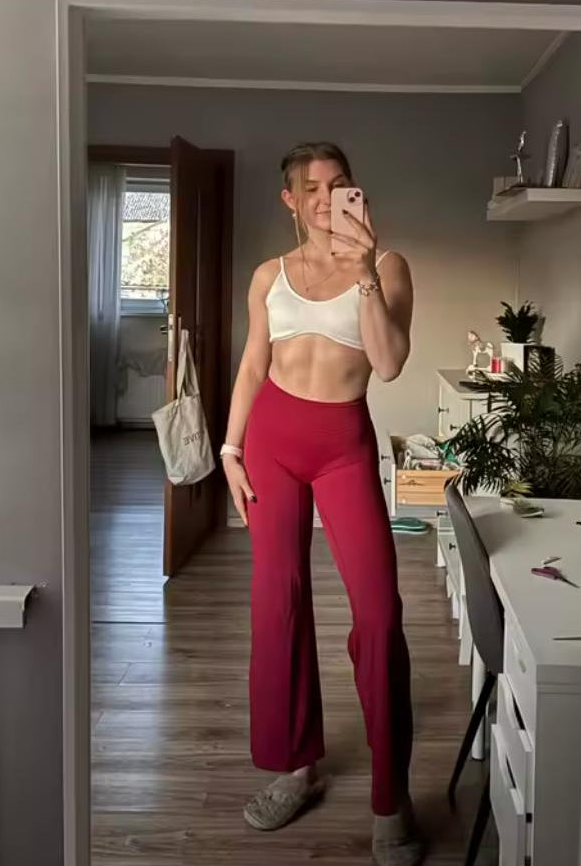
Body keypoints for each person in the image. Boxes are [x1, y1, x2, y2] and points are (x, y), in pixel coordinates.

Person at [220, 141, 423, 865]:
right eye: (310, 188)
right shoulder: (268, 275)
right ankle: (295, 765)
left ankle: (391, 794)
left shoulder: (388, 265)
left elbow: (389, 364)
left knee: (380, 611)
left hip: (343, 446)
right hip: (271, 441)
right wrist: (230, 448)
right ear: (290, 199)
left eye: (338, 185)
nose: (325, 198)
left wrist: (364, 272)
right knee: (277, 600)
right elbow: (254, 363)